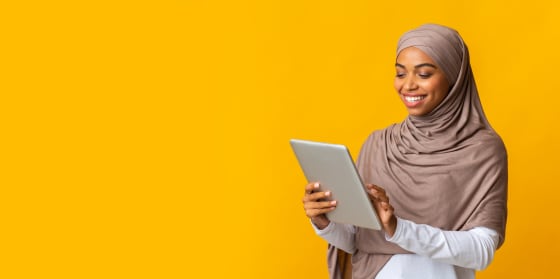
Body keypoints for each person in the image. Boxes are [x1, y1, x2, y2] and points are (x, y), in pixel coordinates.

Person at [301, 24, 507, 279]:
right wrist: (324, 222)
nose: (408, 85)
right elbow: (358, 240)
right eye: (400, 74)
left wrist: (400, 229)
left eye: (423, 74)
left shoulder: (482, 149)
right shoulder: (378, 144)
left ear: (454, 77)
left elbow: (482, 251)